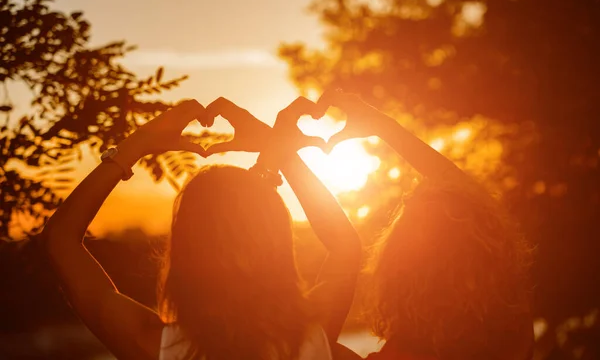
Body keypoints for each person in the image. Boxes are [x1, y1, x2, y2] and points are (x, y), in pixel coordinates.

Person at [41, 97, 362, 360]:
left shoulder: (154, 346)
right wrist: (278, 155)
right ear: (276, 243)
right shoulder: (309, 337)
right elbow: (344, 244)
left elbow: (61, 240)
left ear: (184, 252)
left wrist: (135, 146)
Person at [316, 89, 535, 360]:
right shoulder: (514, 334)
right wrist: (381, 125)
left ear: (399, 269)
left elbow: (312, 343)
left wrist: (277, 159)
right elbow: (472, 200)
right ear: (486, 254)